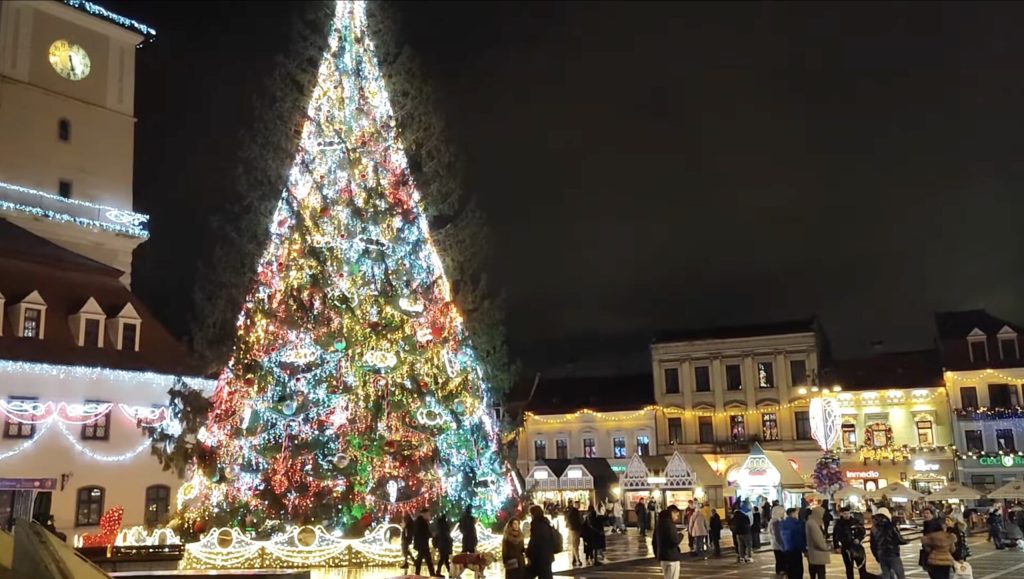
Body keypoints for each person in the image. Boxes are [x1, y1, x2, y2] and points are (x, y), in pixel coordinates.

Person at [870, 508, 907, 579]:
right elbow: (899, 539)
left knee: (886, 574)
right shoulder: (890, 526)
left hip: (881, 554)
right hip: (892, 553)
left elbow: (872, 544)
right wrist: (906, 541)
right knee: (900, 574)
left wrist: (876, 556)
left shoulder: (874, 528)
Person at [526, 505, 556, 579]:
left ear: (533, 514)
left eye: (530, 514)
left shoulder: (536, 524)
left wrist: (528, 553)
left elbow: (534, 541)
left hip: (540, 557)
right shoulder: (546, 522)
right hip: (547, 556)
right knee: (547, 575)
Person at [652, 505, 682, 579]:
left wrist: (657, 554)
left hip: (662, 557)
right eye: (677, 515)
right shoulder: (669, 524)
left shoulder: (659, 523)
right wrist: (680, 536)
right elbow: (674, 541)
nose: (677, 517)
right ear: (672, 513)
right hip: (672, 557)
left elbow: (654, 541)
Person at [833, 506, 862, 579]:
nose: (847, 515)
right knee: (849, 567)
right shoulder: (839, 524)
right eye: (845, 513)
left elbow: (862, 531)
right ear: (841, 514)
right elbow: (835, 535)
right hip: (846, 548)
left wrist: (859, 538)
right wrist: (836, 546)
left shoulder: (855, 521)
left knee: (861, 567)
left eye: (848, 513)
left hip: (857, 547)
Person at [781, 507, 806, 579]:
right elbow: (799, 538)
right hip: (796, 549)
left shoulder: (783, 524)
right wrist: (804, 549)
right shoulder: (797, 524)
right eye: (796, 513)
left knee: (790, 569)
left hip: (787, 549)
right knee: (798, 570)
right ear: (792, 514)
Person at [806, 506, 831, 579]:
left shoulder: (814, 522)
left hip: (814, 553)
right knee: (820, 573)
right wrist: (826, 547)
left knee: (814, 572)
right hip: (818, 554)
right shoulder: (813, 523)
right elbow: (817, 539)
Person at [413, 508, 436, 577]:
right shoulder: (421, 522)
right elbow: (423, 532)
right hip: (422, 543)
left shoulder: (420, 521)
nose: (429, 515)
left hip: (421, 543)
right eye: (428, 514)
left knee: (422, 558)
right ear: (424, 514)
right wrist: (431, 535)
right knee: (425, 559)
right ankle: (431, 573)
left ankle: (418, 573)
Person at [768, 505, 787, 579]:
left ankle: (780, 571)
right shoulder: (776, 522)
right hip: (779, 545)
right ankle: (781, 572)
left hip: (776, 544)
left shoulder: (773, 521)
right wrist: (782, 545)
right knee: (781, 560)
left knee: (779, 560)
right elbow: (777, 535)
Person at [434, 513, 453, 577]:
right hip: (445, 545)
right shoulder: (445, 526)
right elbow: (447, 535)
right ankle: (439, 572)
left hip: (441, 545)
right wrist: (450, 540)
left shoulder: (439, 526)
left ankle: (449, 572)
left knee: (445, 559)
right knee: (443, 559)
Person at [566, 501, 584, 566]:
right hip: (575, 529)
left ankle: (574, 559)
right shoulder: (574, 512)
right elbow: (573, 521)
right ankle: (577, 559)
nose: (579, 506)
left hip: (574, 529)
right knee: (575, 545)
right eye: (578, 504)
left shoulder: (573, 511)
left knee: (575, 544)